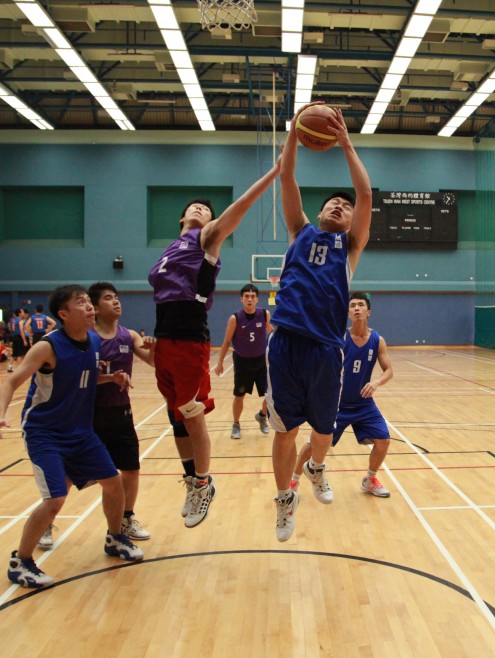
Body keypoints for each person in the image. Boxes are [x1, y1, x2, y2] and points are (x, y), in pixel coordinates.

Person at [148, 157, 281, 528]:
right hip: (165, 337)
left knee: (192, 417)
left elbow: (240, 206)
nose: (199, 209)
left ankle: (204, 484)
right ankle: (191, 478)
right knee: (176, 419)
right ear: (181, 217)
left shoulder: (205, 239)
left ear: (212, 221)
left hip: (189, 338)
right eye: (193, 206)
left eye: (206, 209)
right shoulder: (170, 249)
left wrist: (273, 174)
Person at [0, 285, 143, 588]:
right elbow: (10, 382)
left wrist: (110, 377)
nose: (89, 306)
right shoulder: (47, 347)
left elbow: (85, 377)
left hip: (80, 431)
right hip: (45, 433)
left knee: (113, 483)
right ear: (64, 314)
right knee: (55, 499)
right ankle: (21, 561)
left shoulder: (93, 341)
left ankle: (115, 538)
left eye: (89, 301)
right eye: (80, 302)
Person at [268, 102, 372, 542]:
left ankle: (315, 467)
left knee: (323, 431)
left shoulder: (350, 248)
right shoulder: (300, 230)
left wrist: (346, 144)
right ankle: (284, 500)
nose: (340, 206)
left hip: (328, 349)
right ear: (321, 210)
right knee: (285, 430)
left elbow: (365, 195)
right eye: (333, 202)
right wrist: (294, 132)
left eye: (345, 207)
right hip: (287, 343)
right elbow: (287, 176)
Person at [292, 292, 394, 498]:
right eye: (352, 305)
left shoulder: (378, 340)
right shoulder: (339, 338)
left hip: (364, 403)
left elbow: (389, 371)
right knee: (314, 445)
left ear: (368, 312)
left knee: (383, 440)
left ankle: (369, 480)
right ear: (347, 313)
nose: (356, 308)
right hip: (336, 404)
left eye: (361, 305)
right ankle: (292, 482)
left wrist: (376, 382)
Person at [85, 281, 155, 543]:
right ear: (94, 307)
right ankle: (48, 519)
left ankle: (126, 519)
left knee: (130, 469)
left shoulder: (129, 336)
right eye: (108, 298)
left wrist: (155, 350)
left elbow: (153, 362)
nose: (115, 301)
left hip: (120, 412)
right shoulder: (85, 338)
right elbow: (77, 377)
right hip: (88, 413)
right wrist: (108, 378)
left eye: (116, 297)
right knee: (71, 473)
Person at [213, 284, 271, 440]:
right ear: (241, 299)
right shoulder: (235, 318)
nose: (249, 299)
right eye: (247, 296)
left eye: (253, 296)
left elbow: (270, 332)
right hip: (242, 362)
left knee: (270, 395)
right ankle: (236, 424)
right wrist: (220, 363)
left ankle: (262, 416)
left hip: (261, 361)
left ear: (257, 299)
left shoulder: (264, 314)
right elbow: (226, 342)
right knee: (239, 395)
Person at [7, 308, 31, 373]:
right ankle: (20, 369)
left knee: (14, 353)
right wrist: (24, 340)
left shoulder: (12, 320)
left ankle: (9, 366)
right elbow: (21, 330)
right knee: (20, 354)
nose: (23, 313)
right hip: (19, 337)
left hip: (14, 337)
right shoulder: (20, 321)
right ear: (19, 313)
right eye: (22, 312)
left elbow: (9, 328)